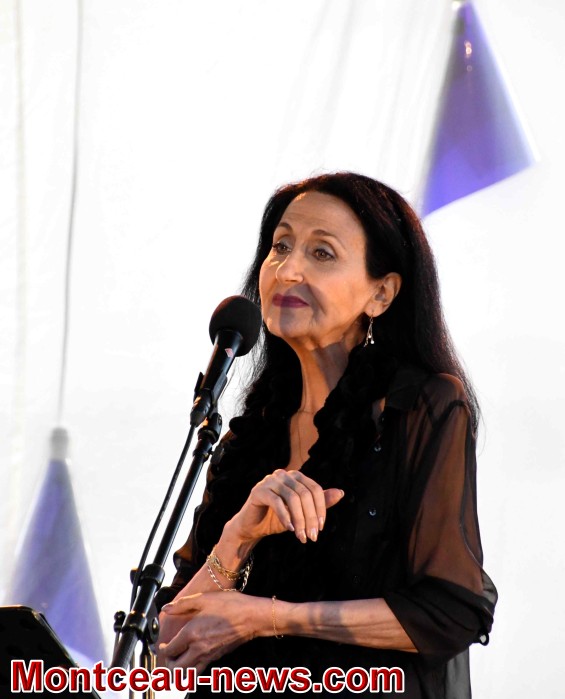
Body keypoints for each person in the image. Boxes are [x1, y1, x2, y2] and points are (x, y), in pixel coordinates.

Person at [156, 172, 497, 697]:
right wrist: (237, 539)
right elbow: (167, 652)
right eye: (280, 246)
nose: (287, 269)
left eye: (321, 253)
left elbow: (450, 611)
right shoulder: (246, 439)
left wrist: (267, 617)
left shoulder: (418, 406)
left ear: (381, 293)